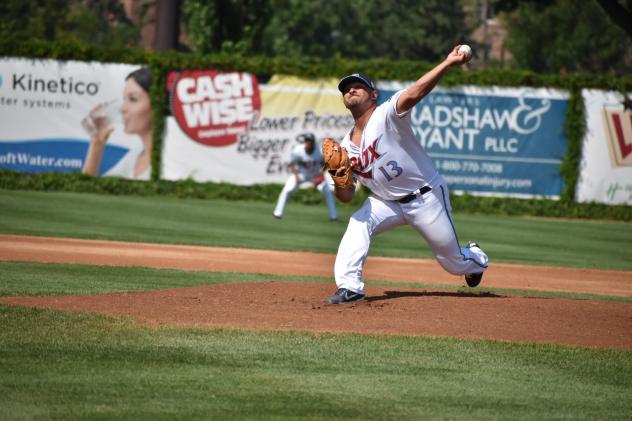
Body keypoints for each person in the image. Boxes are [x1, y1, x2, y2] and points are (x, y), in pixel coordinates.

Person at [325, 45, 489, 305]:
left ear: (373, 95)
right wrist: (338, 177)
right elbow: (345, 196)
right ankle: (350, 287)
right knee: (358, 222)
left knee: (453, 263)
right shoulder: (344, 147)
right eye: (346, 88)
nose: (350, 90)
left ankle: (476, 258)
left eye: (358, 86)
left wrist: (447, 63)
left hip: (425, 197)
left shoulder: (386, 114)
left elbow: (416, 92)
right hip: (386, 202)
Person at [82, 67, 153, 180]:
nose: (122, 108)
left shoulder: (171, 165)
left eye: (133, 99)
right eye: (124, 99)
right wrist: (97, 145)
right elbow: (88, 193)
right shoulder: (136, 154)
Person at [273, 133, 338, 221]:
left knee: (327, 191)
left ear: (313, 143)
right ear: (304, 142)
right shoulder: (298, 150)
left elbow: (327, 163)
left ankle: (333, 217)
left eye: (310, 141)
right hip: (301, 174)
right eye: (307, 141)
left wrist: (321, 172)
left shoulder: (320, 151)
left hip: (315, 175)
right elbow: (291, 163)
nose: (308, 143)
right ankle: (278, 213)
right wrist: (296, 176)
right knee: (287, 189)